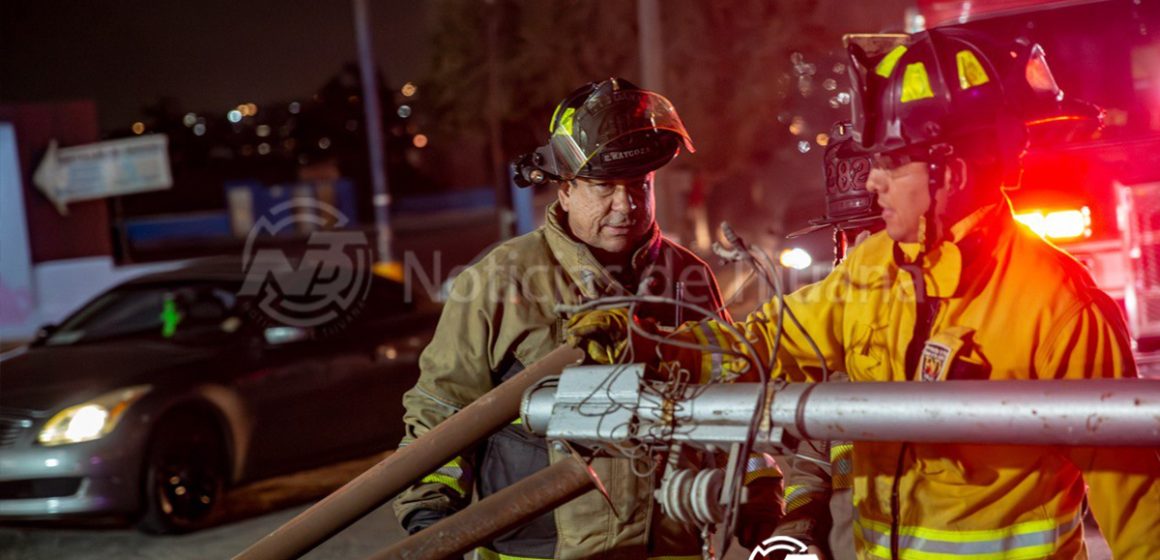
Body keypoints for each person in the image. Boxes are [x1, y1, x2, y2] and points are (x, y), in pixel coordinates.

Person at [567, 30, 1160, 559]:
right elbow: (768, 342)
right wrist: (656, 348)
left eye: (893, 163)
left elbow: (1137, 503)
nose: (872, 181)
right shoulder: (875, 267)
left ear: (954, 173)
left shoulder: (1060, 306)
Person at [393, 77, 783, 559]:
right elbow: (441, 407)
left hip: (668, 547)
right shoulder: (501, 279)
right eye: (604, 188)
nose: (626, 205)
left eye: (639, 185)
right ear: (566, 190)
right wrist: (431, 518)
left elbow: (732, 400)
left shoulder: (688, 276)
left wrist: (758, 490)